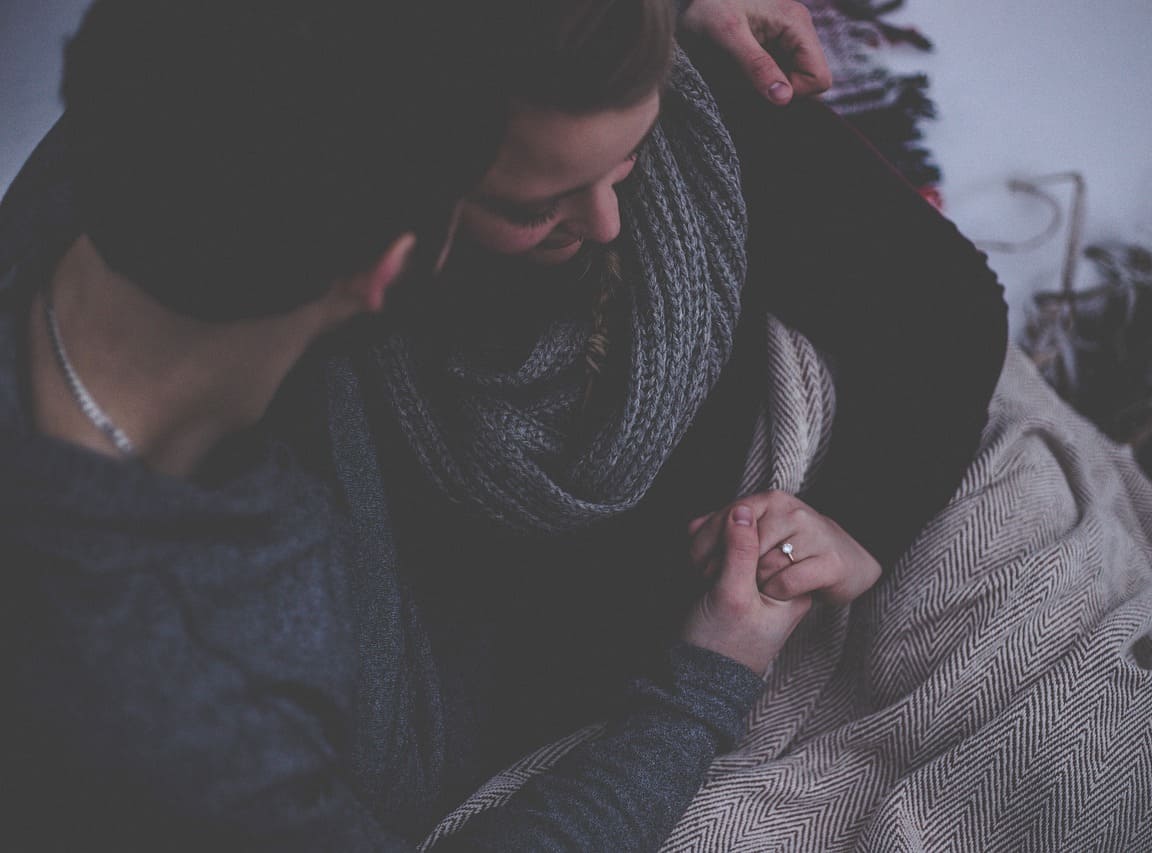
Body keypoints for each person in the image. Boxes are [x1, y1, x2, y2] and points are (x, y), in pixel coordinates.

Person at [323, 2, 1152, 851]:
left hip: (858, 485)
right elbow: (465, 669)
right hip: (660, 680)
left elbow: (946, 304)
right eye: (536, 207)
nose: (608, 222)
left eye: (625, 161)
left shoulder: (692, 110)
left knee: (1100, 751)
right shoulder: (352, 359)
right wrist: (705, 665)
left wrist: (856, 522)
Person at [0, 0, 845, 849]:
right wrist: (701, 691)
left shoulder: (138, 122)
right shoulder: (212, 700)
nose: (604, 224)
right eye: (526, 204)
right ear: (392, 267)